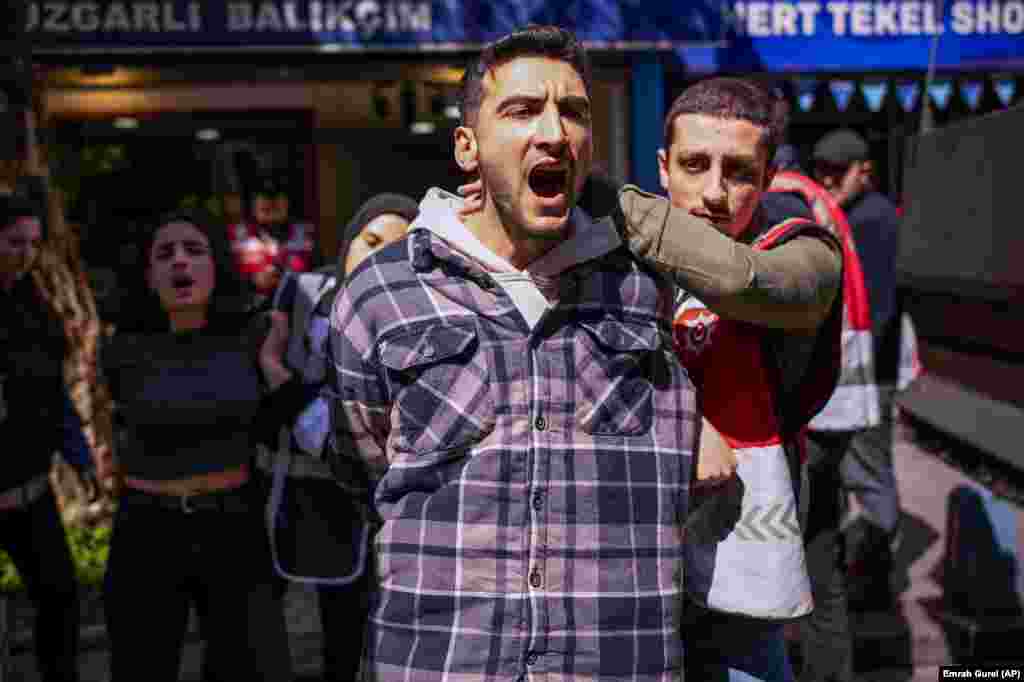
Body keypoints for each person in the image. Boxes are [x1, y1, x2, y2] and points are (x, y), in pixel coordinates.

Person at [327, 25, 701, 679]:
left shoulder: (648, 285)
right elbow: (366, 469)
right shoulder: (380, 294)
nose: (554, 132)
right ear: (467, 147)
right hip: (439, 663)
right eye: (523, 111)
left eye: (575, 112)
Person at [654, 78, 843, 682]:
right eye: (693, 165)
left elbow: (741, 281)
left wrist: (609, 200)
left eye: (737, 171)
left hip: (744, 552)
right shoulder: (617, 263)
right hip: (636, 553)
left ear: (766, 180)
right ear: (663, 168)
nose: (713, 191)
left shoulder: (801, 252)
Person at [100, 208, 312, 682]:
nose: (180, 262)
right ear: (149, 274)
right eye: (165, 253)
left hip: (232, 526)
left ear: (215, 267)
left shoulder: (250, 337)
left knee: (245, 666)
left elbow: (284, 421)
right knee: (141, 665)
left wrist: (274, 367)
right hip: (146, 529)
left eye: (194, 251)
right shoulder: (121, 347)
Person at [260, 192, 419, 682]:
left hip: (383, 513)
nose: (378, 259)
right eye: (370, 242)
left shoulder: (422, 318)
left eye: (398, 249)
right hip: (303, 501)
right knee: (301, 636)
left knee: (371, 641)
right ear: (349, 240)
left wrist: (279, 378)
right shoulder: (307, 298)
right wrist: (273, 371)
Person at [0, 194, 94, 682]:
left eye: (33, 243)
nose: (26, 253)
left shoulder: (32, 306)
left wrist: (80, 458)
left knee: (59, 597)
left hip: (29, 490)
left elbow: (53, 394)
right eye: (15, 242)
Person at [812, 129, 904, 613]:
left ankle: (875, 587)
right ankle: (865, 578)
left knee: (868, 475)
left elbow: (879, 308)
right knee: (855, 474)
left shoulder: (874, 219)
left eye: (837, 171)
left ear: (864, 170)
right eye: (821, 170)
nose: (827, 179)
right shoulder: (848, 214)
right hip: (856, 374)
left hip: (868, 376)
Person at [228, 173, 318, 302]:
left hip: (297, 308)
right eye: (262, 195)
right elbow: (225, 281)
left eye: (278, 194)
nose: (270, 201)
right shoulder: (236, 235)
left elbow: (318, 276)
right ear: (251, 203)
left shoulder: (306, 233)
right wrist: (252, 281)